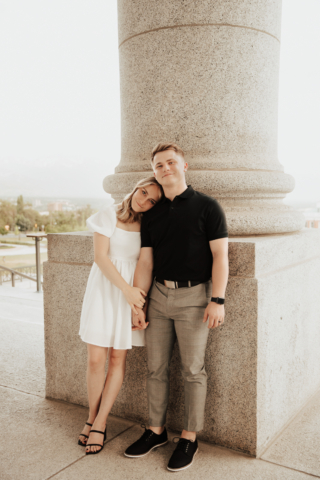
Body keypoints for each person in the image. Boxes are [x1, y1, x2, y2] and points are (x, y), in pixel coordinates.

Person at [124, 143, 229, 472]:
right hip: (157, 297)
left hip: (195, 299)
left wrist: (218, 300)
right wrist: (138, 303)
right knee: (155, 368)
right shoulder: (151, 212)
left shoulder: (208, 207)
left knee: (193, 371)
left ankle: (189, 437)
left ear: (185, 166)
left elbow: (220, 257)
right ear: (154, 171)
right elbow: (145, 260)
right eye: (159, 165)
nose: (165, 168)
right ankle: (155, 431)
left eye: (171, 162)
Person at [78, 177, 163, 455]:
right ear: (136, 188)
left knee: (117, 357)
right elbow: (101, 257)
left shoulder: (149, 226)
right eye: (143, 192)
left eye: (152, 200)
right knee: (95, 359)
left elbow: (145, 264)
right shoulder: (109, 214)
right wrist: (126, 291)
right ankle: (92, 416)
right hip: (106, 289)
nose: (144, 200)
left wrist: (137, 304)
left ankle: (100, 423)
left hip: (131, 296)